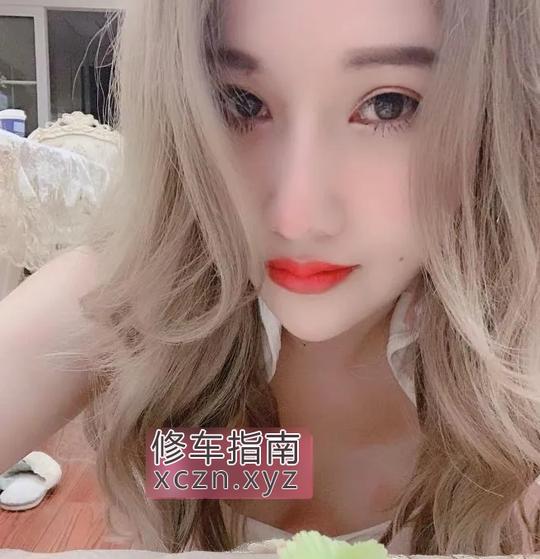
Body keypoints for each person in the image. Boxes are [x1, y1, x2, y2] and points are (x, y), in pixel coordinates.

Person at [1, 0, 539, 555]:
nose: (295, 217)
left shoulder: (521, 377)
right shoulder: (123, 301)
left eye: (389, 105)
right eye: (241, 102)